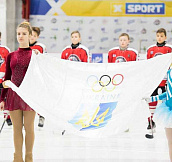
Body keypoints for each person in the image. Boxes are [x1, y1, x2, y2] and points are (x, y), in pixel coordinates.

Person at [0, 21, 36, 162]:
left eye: (24, 34)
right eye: (18, 34)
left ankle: (29, 157)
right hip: (13, 95)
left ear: (30, 36)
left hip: (30, 95)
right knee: (16, 129)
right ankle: (17, 158)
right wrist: (2, 98)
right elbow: (7, 78)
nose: (20, 36)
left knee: (29, 128)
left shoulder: (35, 55)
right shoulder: (11, 56)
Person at [61, 31, 90, 135]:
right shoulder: (65, 50)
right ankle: (68, 121)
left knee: (80, 100)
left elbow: (86, 65)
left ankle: (80, 121)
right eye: (72, 37)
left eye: (76, 37)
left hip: (79, 80)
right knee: (69, 100)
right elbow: (62, 65)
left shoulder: (84, 50)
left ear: (80, 38)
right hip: (69, 80)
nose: (74, 38)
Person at [146, 28, 172, 133]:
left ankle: (168, 122)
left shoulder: (169, 48)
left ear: (165, 37)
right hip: (155, 80)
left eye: (162, 36)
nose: (159, 38)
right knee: (152, 101)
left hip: (167, 80)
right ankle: (151, 122)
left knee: (167, 101)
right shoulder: (150, 49)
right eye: (158, 36)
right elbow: (148, 65)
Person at [144, 66, 172, 162]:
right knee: (171, 142)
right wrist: (152, 98)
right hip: (169, 111)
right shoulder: (169, 72)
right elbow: (168, 93)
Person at [29, 26, 46, 127]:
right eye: (31, 35)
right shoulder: (24, 45)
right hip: (27, 76)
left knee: (39, 96)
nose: (32, 37)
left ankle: (41, 115)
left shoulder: (40, 47)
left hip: (38, 75)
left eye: (34, 36)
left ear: (37, 37)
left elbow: (43, 60)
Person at [0, 38, 12, 126]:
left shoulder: (5, 50)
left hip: (2, 79)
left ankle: (7, 117)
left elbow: (9, 65)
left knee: (4, 98)